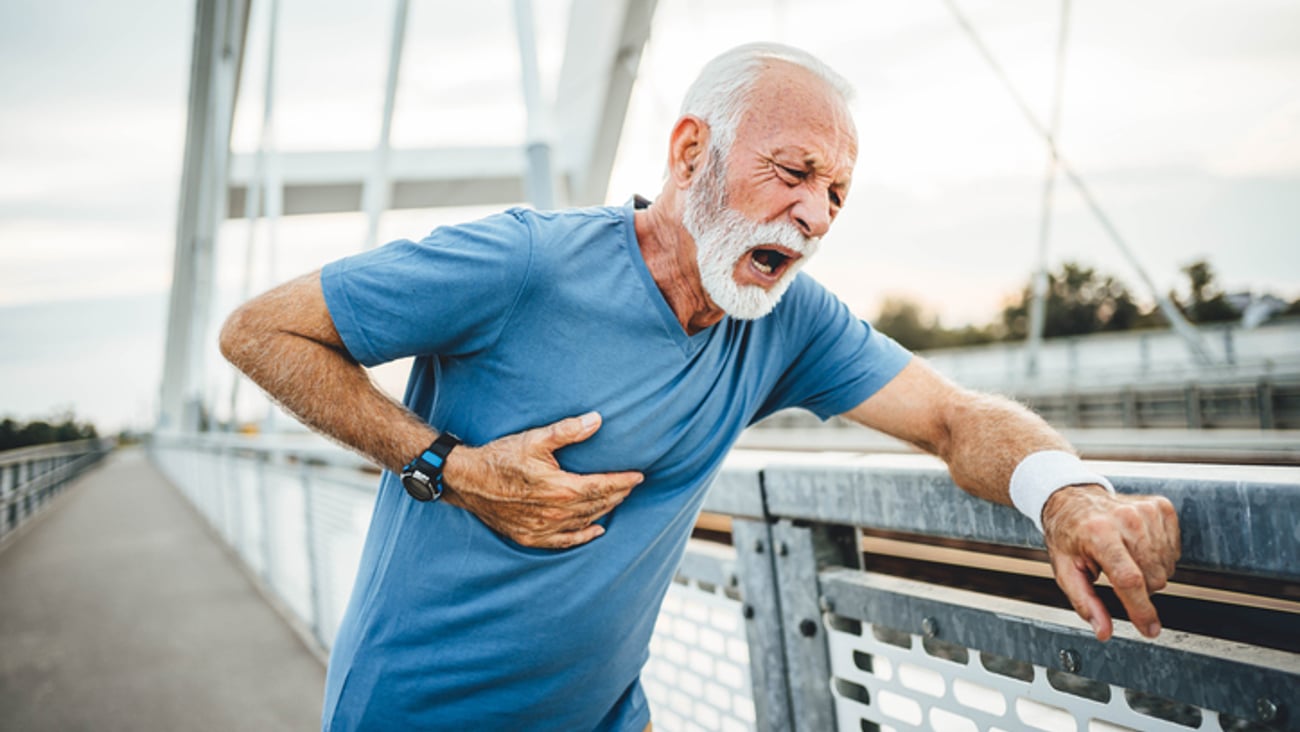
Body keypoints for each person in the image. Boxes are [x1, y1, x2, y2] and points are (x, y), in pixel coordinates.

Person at [219, 42, 1180, 731]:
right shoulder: (523, 262)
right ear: (691, 154)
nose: (813, 214)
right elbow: (260, 329)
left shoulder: (786, 320)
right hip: (413, 715)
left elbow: (951, 417)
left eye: (837, 194)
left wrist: (1063, 491)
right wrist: (447, 465)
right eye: (792, 172)